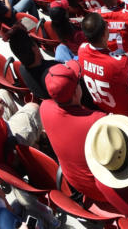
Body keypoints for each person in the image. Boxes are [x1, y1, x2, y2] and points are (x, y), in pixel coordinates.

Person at [39, 60, 113, 204]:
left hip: (79, 186)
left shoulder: (44, 107)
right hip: (107, 191)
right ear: (75, 94)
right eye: (79, 83)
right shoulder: (98, 121)